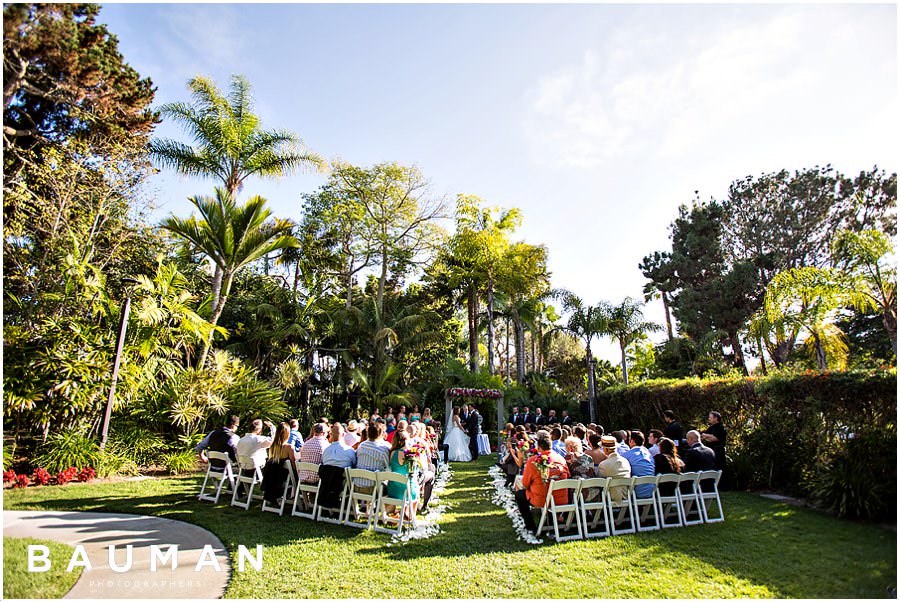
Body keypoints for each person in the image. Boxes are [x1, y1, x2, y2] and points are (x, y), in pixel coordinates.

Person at [514, 430, 570, 533]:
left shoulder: (533, 461)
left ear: (538, 447)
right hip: (562, 499)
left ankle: (531, 526)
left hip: (542, 498)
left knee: (519, 495)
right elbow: (568, 476)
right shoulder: (561, 459)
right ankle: (554, 518)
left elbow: (525, 484)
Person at [235, 419, 275, 495]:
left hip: (244, 470)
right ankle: (271, 495)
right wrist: (272, 427)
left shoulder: (241, 440)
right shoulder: (259, 440)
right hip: (256, 471)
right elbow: (274, 441)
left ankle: (241, 490)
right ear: (259, 429)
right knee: (273, 466)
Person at [386, 430, 418, 518]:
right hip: (407, 490)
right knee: (415, 486)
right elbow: (412, 472)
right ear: (406, 440)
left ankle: (402, 512)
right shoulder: (410, 454)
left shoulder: (392, 453)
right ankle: (410, 515)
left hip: (393, 489)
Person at [262, 422, 297, 503]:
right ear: (288, 434)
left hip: (271, 476)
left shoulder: (273, 446)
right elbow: (294, 464)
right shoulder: (289, 447)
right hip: (282, 477)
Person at [354, 422, 390, 494]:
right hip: (373, 488)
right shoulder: (383, 449)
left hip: (356, 486)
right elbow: (388, 466)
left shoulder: (361, 446)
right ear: (381, 433)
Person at [597, 435, 631, 502]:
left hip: (610, 498)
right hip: (626, 496)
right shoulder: (626, 461)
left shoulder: (603, 464)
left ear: (606, 449)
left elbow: (600, 483)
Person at [622, 430, 655, 498]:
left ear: (632, 441)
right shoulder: (649, 455)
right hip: (651, 490)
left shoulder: (626, 455)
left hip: (634, 492)